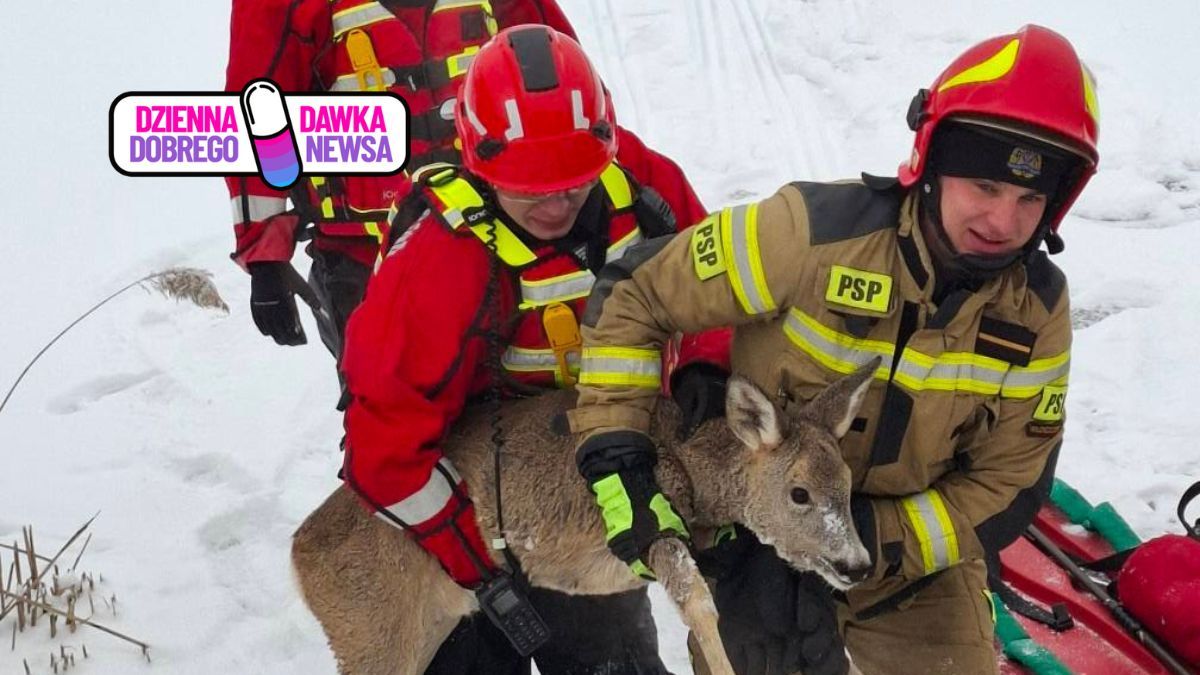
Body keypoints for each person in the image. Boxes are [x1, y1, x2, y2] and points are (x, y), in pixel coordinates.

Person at [567, 24, 1098, 675]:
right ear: (931, 167)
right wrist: (618, 446)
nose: (1003, 223)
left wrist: (876, 539)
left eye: (1030, 198)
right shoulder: (808, 234)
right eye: (985, 188)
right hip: (759, 534)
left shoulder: (1038, 311)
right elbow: (638, 292)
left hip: (908, 561)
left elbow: (1009, 481)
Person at [339, 25, 729, 673]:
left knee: (614, 660)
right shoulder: (438, 263)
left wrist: (705, 373)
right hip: (460, 496)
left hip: (597, 476)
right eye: (528, 187)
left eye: (574, 182)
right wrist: (481, 572)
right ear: (478, 161)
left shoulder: (644, 185)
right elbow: (384, 451)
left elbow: (715, 293)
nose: (555, 203)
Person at [223, 0, 576, 360]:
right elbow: (257, 110)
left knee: (531, 377)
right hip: (367, 260)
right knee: (388, 401)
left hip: (504, 227)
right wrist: (265, 258)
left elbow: (559, 75)